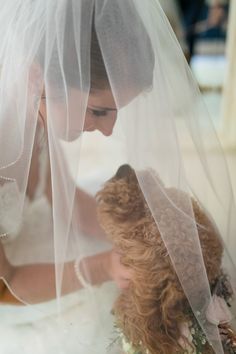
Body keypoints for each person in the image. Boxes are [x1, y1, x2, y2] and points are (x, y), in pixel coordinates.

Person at [0, 1, 235, 353]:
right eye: (98, 110)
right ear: (37, 76)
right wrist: (104, 267)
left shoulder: (33, 103)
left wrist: (144, 243)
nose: (109, 132)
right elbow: (7, 283)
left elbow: (64, 201)